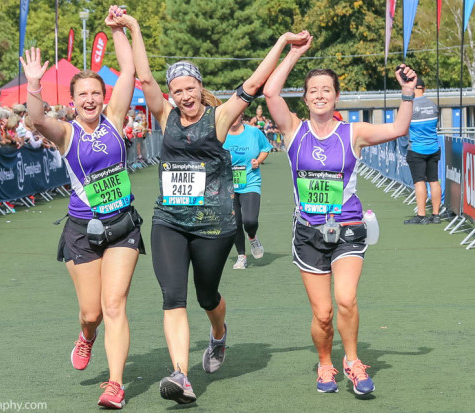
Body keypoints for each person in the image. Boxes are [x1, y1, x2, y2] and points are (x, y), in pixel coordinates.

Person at [115, 10, 309, 404]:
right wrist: (132, 28)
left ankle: (219, 334)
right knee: (173, 297)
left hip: (214, 224)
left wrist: (284, 43)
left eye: (190, 88)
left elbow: (254, 83)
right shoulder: (165, 116)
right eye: (178, 90)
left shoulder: (219, 117)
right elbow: (145, 77)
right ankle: (180, 375)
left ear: (199, 87)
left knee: (207, 296)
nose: (184, 96)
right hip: (169, 220)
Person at [263, 34, 417, 395]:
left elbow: (398, 128)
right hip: (308, 234)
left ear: (336, 96)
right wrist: (293, 51)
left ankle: (352, 360)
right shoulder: (293, 130)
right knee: (323, 314)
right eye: (313, 90)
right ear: (305, 97)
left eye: (326, 90)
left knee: (345, 299)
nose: (319, 95)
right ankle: (325, 363)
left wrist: (407, 93)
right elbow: (270, 93)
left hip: (348, 229)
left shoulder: (353, 133)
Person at [20, 6, 143, 409]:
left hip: (123, 225)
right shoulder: (66, 133)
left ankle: (115, 384)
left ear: (102, 97)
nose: (90, 99)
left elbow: (127, 71)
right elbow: (36, 119)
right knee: (92, 313)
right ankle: (86, 336)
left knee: (114, 305)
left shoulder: (114, 118)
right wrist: (34, 85)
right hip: (82, 230)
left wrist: (119, 28)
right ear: (72, 102)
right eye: (82, 95)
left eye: (95, 93)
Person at [223, 113, 272, 269]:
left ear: (241, 116)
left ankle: (252, 237)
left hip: (250, 182)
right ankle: (241, 256)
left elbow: (266, 148)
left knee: (250, 221)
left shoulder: (253, 132)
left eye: (236, 115)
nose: (233, 118)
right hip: (227, 184)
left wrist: (258, 161)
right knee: (235, 222)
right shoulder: (220, 134)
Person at [403, 77, 442, 225]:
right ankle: (436, 214)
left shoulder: (410, 106)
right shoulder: (433, 105)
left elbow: (403, 128)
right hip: (433, 147)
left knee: (419, 182)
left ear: (413, 88)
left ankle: (421, 215)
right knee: (434, 180)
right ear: (424, 89)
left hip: (417, 149)